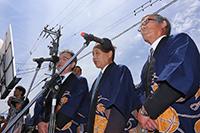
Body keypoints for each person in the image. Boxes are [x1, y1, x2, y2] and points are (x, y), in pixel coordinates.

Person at [136, 13, 200, 133]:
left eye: (147, 20)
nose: (142, 26)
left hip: (187, 122)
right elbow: (141, 92)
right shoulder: (146, 66)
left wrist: (147, 110)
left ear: (163, 23)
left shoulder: (180, 41)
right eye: (140, 25)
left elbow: (181, 74)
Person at [87, 38, 141, 133]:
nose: (94, 57)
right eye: (93, 54)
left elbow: (121, 102)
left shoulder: (120, 70)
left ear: (109, 54)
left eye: (97, 53)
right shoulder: (96, 81)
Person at [33, 49, 89, 133]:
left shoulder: (79, 81)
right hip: (42, 129)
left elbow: (72, 106)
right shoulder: (50, 82)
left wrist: (52, 124)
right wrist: (39, 122)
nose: (60, 61)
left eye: (64, 59)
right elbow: (39, 102)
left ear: (72, 64)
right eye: (59, 59)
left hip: (63, 129)